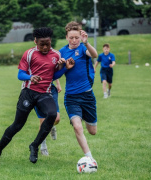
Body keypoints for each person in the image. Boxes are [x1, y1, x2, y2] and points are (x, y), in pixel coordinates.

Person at [0, 27, 74, 164]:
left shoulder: (56, 55)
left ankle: (34, 145)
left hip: (45, 94)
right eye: (42, 44)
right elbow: (20, 75)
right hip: (28, 93)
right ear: (35, 41)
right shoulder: (29, 54)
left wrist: (64, 68)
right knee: (17, 125)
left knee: (52, 115)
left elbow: (53, 76)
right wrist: (30, 77)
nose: (45, 47)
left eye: (48, 43)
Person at [53, 21, 98, 162]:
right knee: (78, 127)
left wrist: (86, 43)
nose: (74, 41)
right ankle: (89, 158)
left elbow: (95, 55)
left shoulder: (84, 49)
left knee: (92, 131)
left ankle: (83, 116)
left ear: (80, 37)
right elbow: (55, 75)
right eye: (71, 38)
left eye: (76, 37)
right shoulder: (61, 52)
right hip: (71, 97)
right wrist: (63, 66)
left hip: (88, 96)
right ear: (66, 37)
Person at [34, 79, 61, 156]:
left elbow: (52, 68)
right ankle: (43, 148)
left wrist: (58, 83)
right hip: (37, 89)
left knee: (57, 118)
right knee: (43, 121)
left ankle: (51, 125)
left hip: (50, 89)